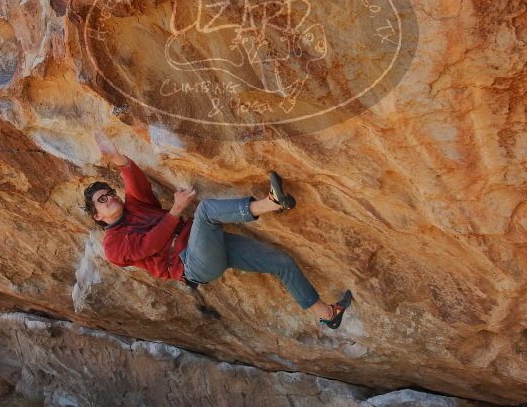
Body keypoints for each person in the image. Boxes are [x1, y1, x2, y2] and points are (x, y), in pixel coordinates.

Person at [84, 133, 353, 329]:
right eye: (102, 200)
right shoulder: (112, 245)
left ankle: (328, 314)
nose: (110, 198)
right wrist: (175, 210)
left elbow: (134, 180)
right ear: (98, 216)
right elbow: (148, 246)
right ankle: (272, 202)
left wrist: (117, 157)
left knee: (280, 261)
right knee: (206, 211)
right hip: (191, 263)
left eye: (109, 193)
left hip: (208, 245)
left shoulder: (135, 207)